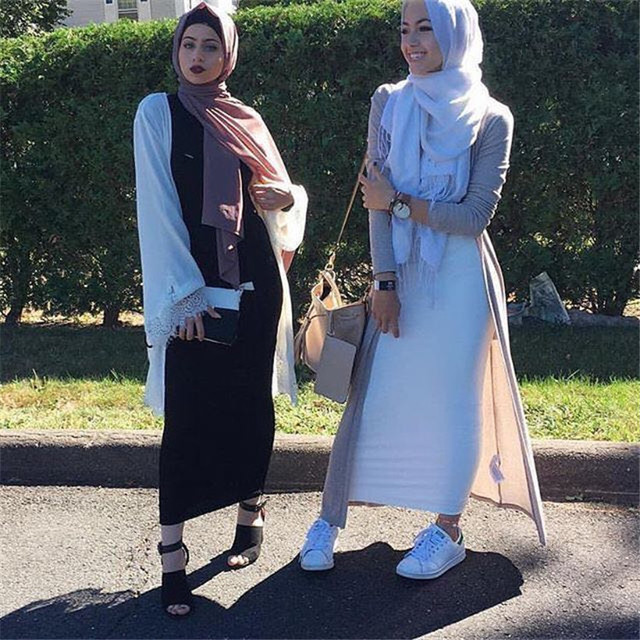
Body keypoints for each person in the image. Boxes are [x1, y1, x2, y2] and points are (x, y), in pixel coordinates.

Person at [299, 0, 546, 579]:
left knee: (455, 401)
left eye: (426, 29)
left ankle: (447, 529)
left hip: (461, 285)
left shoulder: (492, 118)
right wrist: (383, 280)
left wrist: (402, 203)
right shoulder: (389, 102)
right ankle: (330, 518)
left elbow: (474, 216)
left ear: (456, 35)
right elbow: (373, 203)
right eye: (405, 29)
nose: (411, 42)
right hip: (401, 273)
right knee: (371, 395)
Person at [134, 2, 306, 616]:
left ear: (227, 55)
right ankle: (172, 555)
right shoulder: (158, 112)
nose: (198, 56)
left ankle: (250, 514)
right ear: (176, 51)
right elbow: (156, 206)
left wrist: (288, 197)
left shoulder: (246, 118)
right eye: (190, 44)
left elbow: (282, 200)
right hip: (192, 291)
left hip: (255, 285)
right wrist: (182, 292)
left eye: (211, 46)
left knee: (249, 405)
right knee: (187, 417)